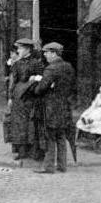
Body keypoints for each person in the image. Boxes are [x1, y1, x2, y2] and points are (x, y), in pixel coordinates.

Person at [29, 42, 77, 174]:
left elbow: (41, 89)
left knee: (49, 136)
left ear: (54, 53)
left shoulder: (51, 69)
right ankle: (62, 166)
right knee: (61, 135)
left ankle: (48, 166)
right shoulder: (69, 67)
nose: (44, 55)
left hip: (51, 106)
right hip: (65, 105)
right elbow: (72, 86)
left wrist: (35, 84)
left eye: (47, 52)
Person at [6, 37, 46, 161]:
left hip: (31, 98)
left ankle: (34, 152)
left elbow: (41, 80)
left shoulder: (37, 63)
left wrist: (34, 80)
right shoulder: (17, 64)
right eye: (18, 48)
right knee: (19, 125)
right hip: (18, 98)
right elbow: (13, 81)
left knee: (31, 125)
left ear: (27, 49)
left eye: (20, 48)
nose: (18, 51)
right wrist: (10, 97)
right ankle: (21, 151)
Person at [75, 85, 101, 150]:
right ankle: (87, 123)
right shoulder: (99, 96)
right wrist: (86, 113)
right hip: (96, 111)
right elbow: (93, 106)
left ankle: (90, 123)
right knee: (86, 117)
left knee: (96, 120)